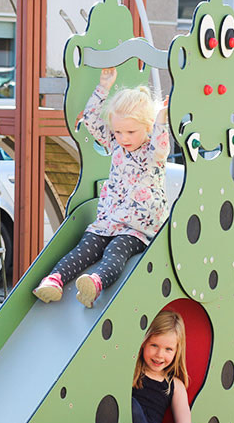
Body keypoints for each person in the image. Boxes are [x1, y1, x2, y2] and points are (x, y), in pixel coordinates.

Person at [33, 67, 170, 308]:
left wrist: (161, 119)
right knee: (84, 249)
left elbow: (161, 146)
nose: (124, 138)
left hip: (136, 229)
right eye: (118, 131)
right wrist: (104, 87)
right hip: (108, 220)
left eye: (131, 131)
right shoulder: (116, 144)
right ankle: (54, 280)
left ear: (148, 126)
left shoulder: (152, 153)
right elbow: (91, 119)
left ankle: (95, 283)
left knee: (115, 253)